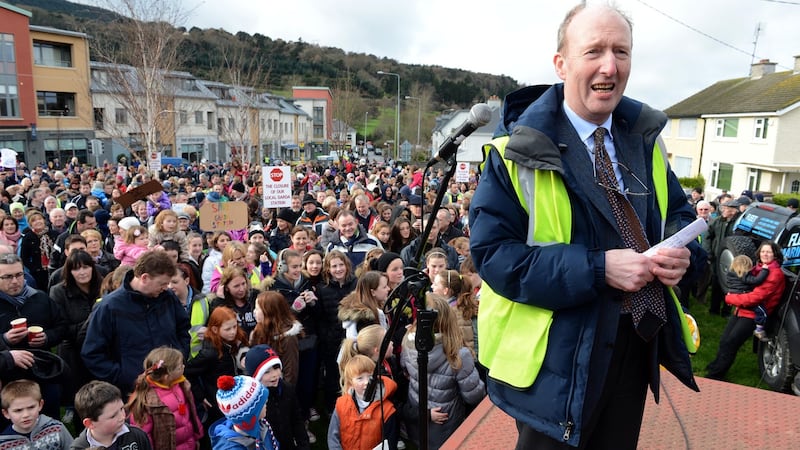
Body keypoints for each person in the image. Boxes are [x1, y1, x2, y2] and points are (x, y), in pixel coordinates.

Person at [468, 4, 705, 448]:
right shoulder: (514, 153)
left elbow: (680, 213)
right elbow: (494, 258)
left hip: (633, 348)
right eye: (593, 50)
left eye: (622, 51)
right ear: (561, 63)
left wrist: (683, 256)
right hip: (556, 366)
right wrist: (598, 269)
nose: (610, 66)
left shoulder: (645, 140)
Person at [81, 251, 190, 394]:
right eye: (162, 283)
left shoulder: (167, 298)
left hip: (172, 383)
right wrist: (124, 377)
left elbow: (183, 330)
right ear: (144, 278)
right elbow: (92, 353)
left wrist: (180, 356)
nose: (166, 288)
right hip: (135, 391)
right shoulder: (110, 307)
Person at [400, 294, 485, 449]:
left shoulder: (407, 341)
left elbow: (405, 370)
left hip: (418, 418)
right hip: (446, 425)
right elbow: (473, 396)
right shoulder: (458, 354)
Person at [706, 241, 786, 380]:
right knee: (725, 340)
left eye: (769, 252)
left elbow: (756, 297)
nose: (765, 254)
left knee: (732, 343)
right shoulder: (759, 268)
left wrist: (731, 299)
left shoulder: (774, 274)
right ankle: (715, 366)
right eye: (763, 251)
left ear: (775, 254)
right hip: (742, 310)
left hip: (753, 315)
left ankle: (715, 376)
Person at [127, 346, 203, 450]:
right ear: (167, 375)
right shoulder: (147, 401)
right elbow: (144, 436)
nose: (184, 367)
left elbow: (192, 415)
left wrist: (197, 437)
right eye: (180, 366)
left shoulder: (182, 385)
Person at [244, 344, 309, 450]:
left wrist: (303, 445)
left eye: (276, 367)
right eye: (267, 372)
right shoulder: (253, 400)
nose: (274, 374)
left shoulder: (287, 389)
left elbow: (297, 420)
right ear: (256, 376)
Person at [327, 354, 398, 450]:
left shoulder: (387, 411)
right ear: (351, 382)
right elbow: (333, 437)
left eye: (370, 377)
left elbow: (390, 445)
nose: (366, 382)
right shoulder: (341, 404)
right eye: (360, 378)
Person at [72, 380, 153, 450]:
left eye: (121, 409)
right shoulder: (79, 448)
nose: (122, 417)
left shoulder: (137, 436)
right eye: (113, 416)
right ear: (90, 423)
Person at [209, 375, 279, 450]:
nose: (266, 403)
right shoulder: (231, 448)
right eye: (262, 403)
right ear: (250, 414)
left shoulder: (262, 425)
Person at [0, 379, 73, 449]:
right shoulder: (3, 444)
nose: (26, 415)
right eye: (18, 410)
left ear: (40, 405)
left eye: (31, 407)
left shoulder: (57, 428)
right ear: (6, 413)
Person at [704, 199, 743, 316]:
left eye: (727, 208)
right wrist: (709, 253)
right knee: (716, 284)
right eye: (723, 208)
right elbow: (707, 236)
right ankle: (713, 310)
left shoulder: (739, 224)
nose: (724, 210)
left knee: (730, 285)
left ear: (733, 210)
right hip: (717, 257)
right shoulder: (717, 221)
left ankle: (726, 311)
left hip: (732, 259)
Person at [726, 255, 770, 340]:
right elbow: (757, 280)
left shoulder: (731, 273)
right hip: (743, 295)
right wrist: (764, 270)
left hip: (734, 295)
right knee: (761, 311)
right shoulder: (743, 276)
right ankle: (759, 329)